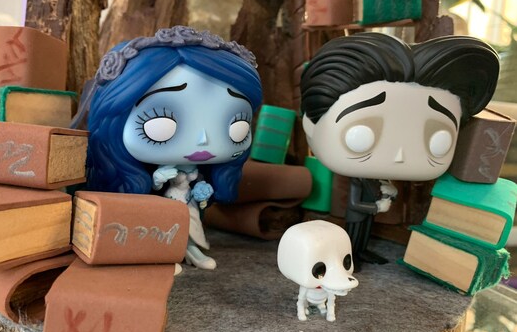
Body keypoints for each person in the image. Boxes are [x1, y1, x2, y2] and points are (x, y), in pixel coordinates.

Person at [300, 32, 499, 269]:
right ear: (310, 124)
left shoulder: (373, 174)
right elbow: (354, 203)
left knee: (362, 234)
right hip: (358, 216)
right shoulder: (357, 179)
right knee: (352, 236)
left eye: (438, 140)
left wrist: (387, 192)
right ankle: (351, 256)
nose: (399, 156)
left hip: (368, 217)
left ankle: (360, 252)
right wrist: (376, 207)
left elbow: (379, 185)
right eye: (361, 136)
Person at [74, 26, 263, 269]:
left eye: (237, 124)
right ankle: (161, 254)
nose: (203, 139)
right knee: (158, 223)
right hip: (162, 206)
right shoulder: (144, 176)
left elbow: (200, 191)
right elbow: (154, 185)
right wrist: (160, 178)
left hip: (186, 205)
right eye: (162, 122)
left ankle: (189, 251)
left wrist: (202, 193)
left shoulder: (196, 172)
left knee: (189, 227)